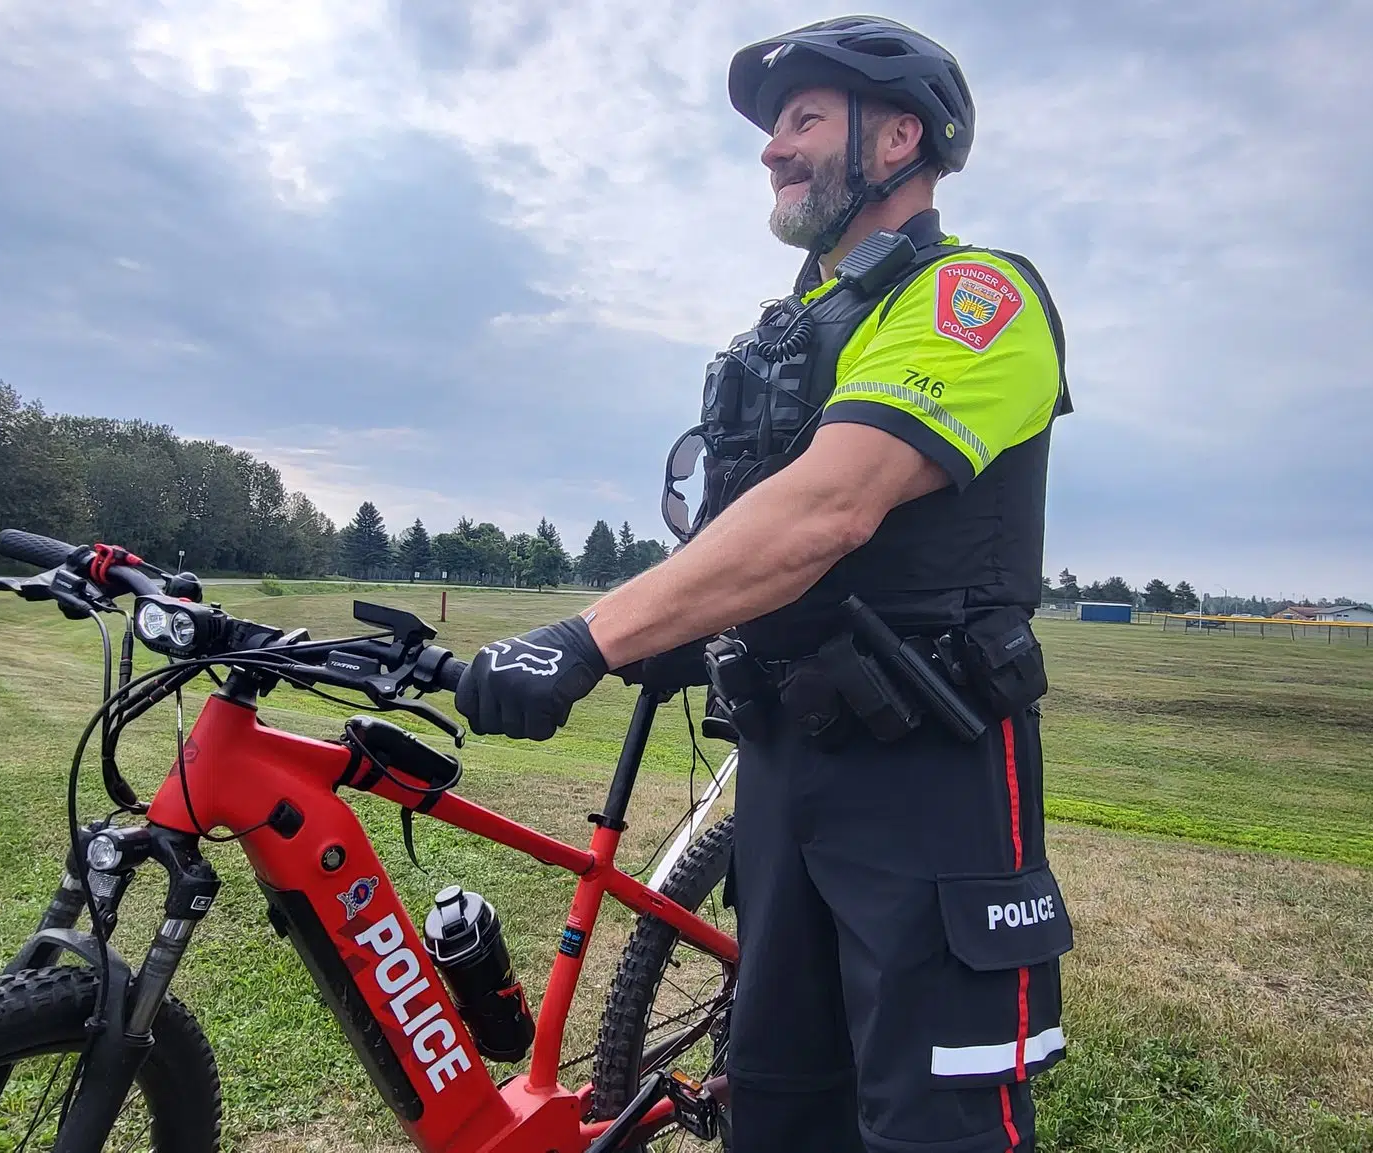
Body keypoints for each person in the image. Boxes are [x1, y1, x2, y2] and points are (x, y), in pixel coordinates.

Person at [455, 16, 1072, 1153]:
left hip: (924, 783)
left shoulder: (969, 300)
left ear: (896, 138)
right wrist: (671, 636)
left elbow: (827, 509)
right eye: (772, 127)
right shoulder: (802, 329)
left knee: (931, 1126)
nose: (770, 150)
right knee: (780, 1105)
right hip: (786, 770)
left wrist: (588, 635)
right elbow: (740, 537)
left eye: (800, 119)